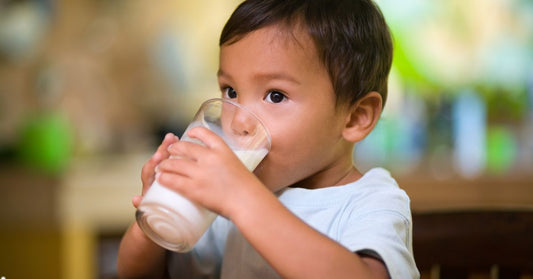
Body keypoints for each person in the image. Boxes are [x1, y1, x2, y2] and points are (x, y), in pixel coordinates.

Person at [117, 0, 419, 278]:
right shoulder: (227, 199)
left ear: (355, 117)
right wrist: (154, 218)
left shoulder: (371, 202)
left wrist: (241, 198)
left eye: (276, 95)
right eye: (230, 91)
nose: (239, 120)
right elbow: (139, 274)